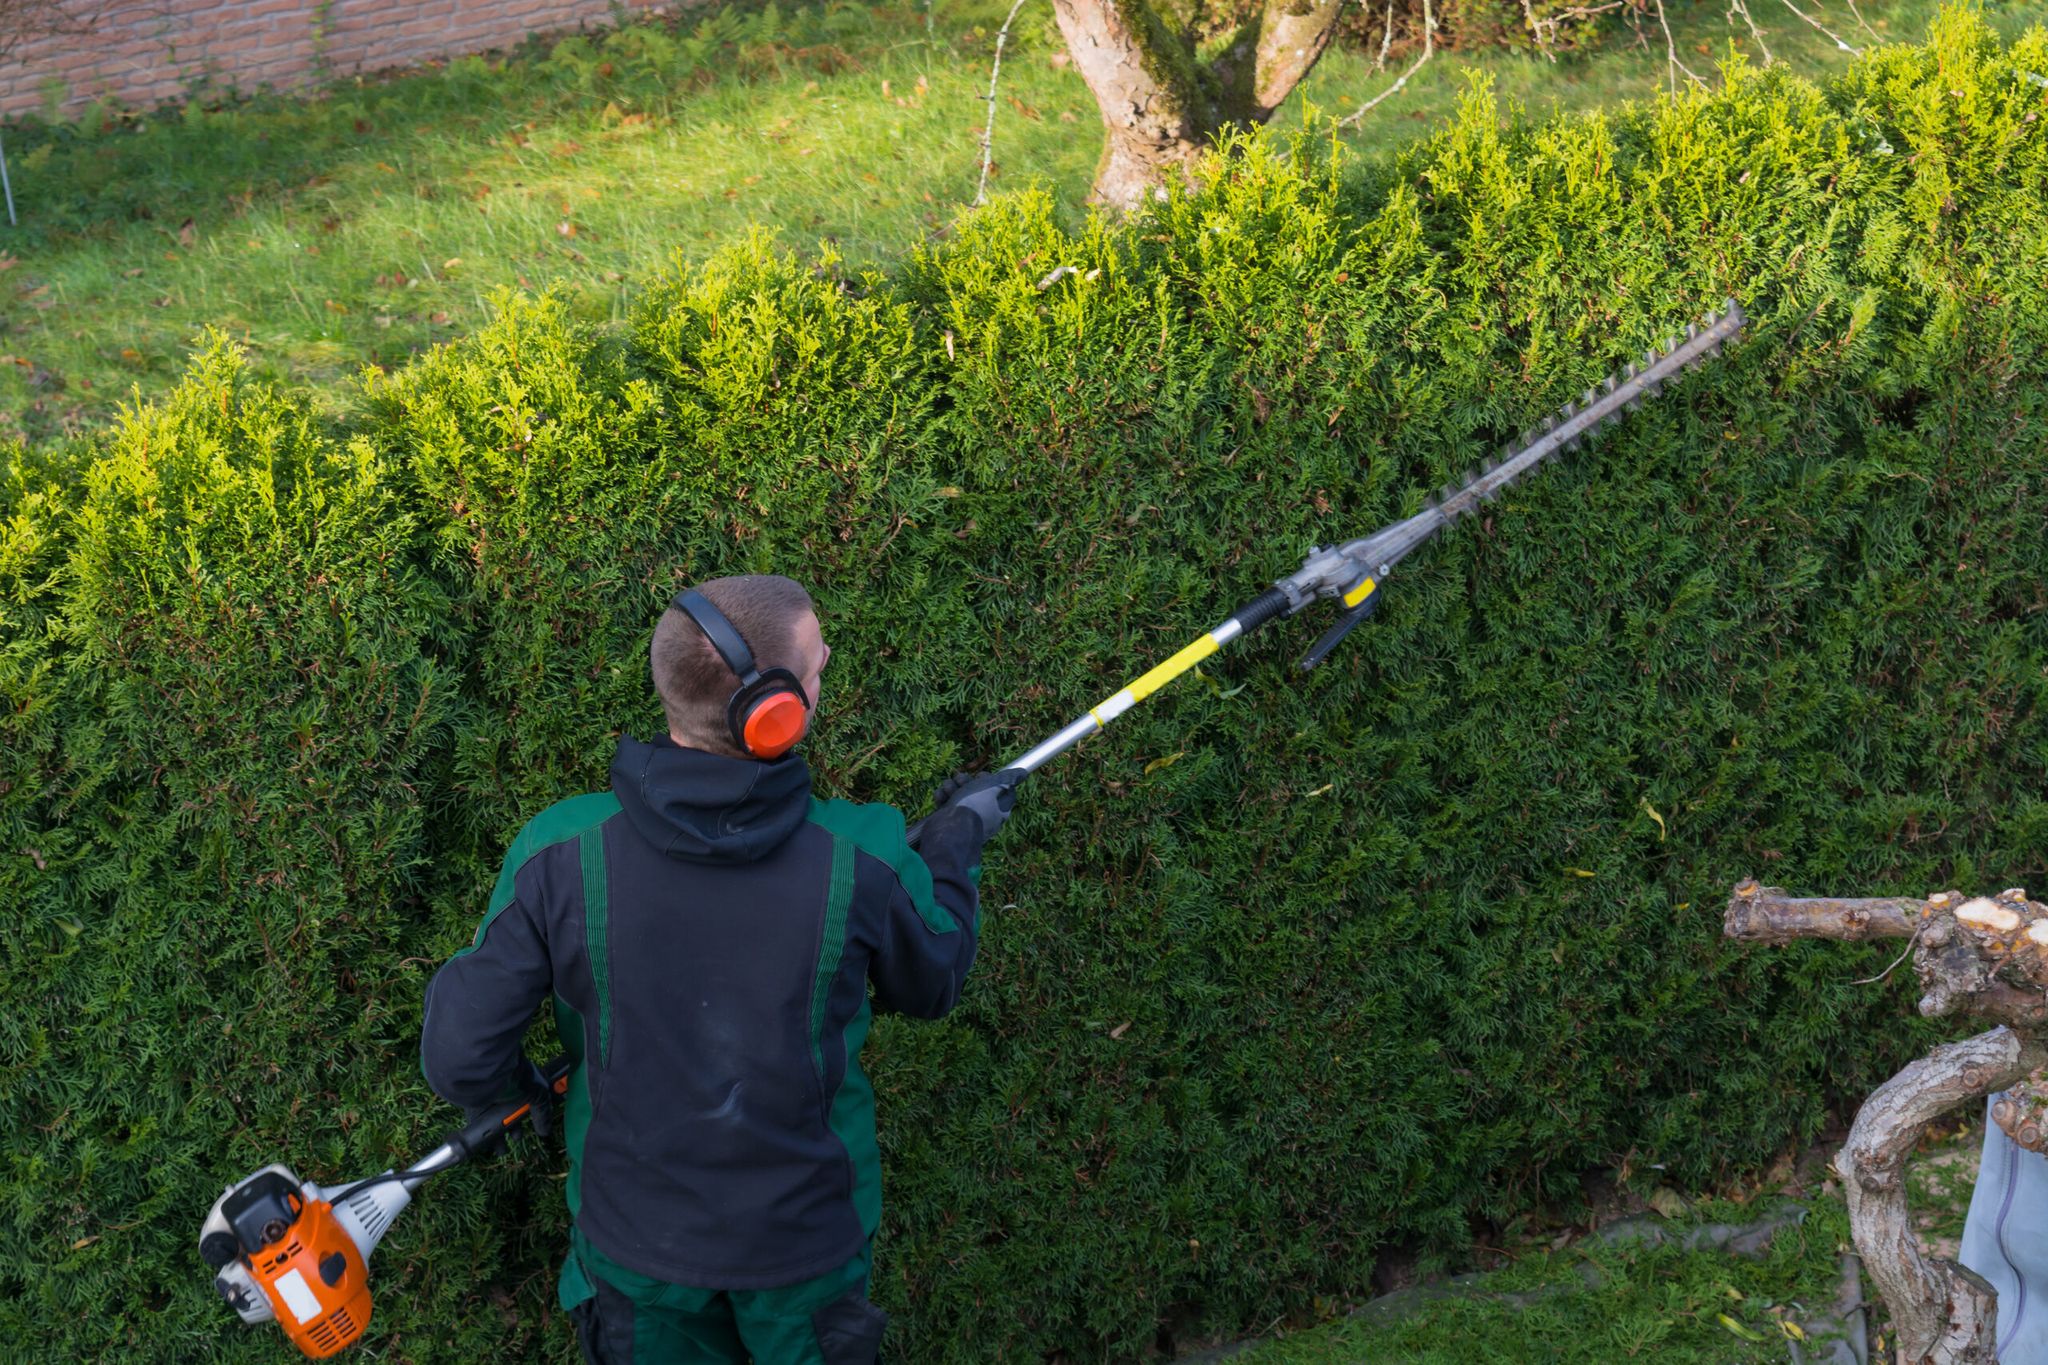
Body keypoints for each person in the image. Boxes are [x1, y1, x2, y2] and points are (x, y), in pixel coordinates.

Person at [418, 574, 1020, 1364]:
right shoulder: (863, 853)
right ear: (774, 713)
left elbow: (460, 1056)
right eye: (814, 660)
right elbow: (932, 978)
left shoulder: (559, 851)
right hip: (803, 1252)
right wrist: (951, 851)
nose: (827, 656)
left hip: (634, 1251)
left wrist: (523, 1090)